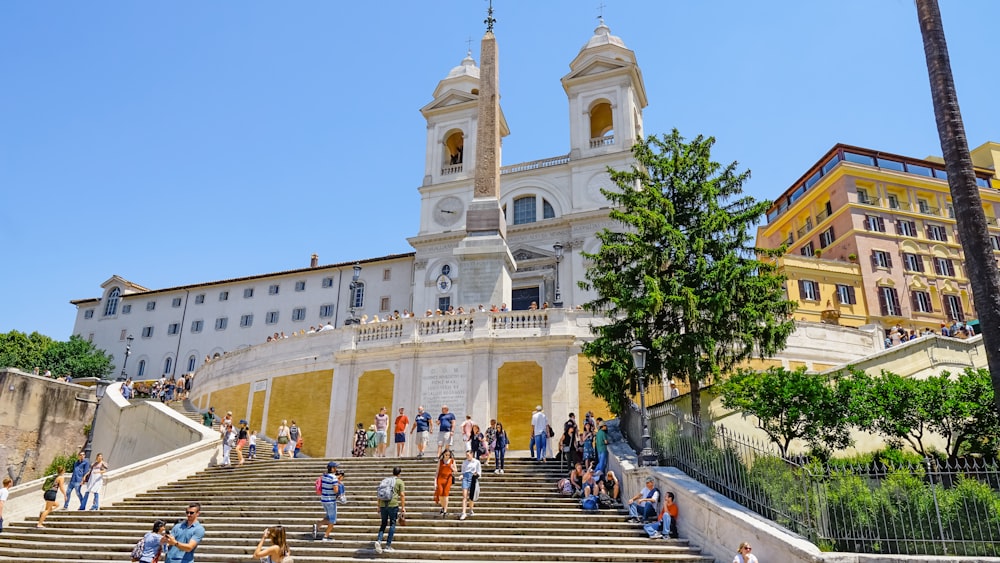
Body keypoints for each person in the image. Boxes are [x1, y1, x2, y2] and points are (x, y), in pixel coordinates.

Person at [373, 466, 406, 554]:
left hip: (383, 504)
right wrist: (403, 507)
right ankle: (388, 545)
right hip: (393, 505)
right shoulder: (399, 482)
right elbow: (402, 495)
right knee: (392, 523)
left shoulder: (386, 480)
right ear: (399, 473)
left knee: (383, 523)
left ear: (392, 472)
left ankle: (379, 541)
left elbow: (379, 493)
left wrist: (378, 505)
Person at [314, 462, 340, 541]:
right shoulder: (333, 478)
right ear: (332, 468)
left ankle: (318, 524)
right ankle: (326, 536)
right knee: (332, 520)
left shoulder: (324, 476)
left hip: (324, 500)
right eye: (335, 467)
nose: (336, 469)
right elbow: (336, 490)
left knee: (328, 517)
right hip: (331, 501)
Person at [459, 449, 482, 521]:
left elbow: (479, 472)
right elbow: (463, 471)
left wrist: (476, 474)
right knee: (464, 496)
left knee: (471, 496)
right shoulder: (464, 462)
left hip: (473, 478)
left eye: (468, 455)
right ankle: (463, 512)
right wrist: (461, 476)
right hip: (465, 478)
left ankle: (471, 509)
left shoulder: (476, 462)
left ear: (472, 455)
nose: (467, 456)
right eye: (466, 455)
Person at [434, 449, 456, 517]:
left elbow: (456, 470)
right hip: (440, 478)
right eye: (446, 455)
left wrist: (452, 468)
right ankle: (443, 507)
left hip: (448, 478)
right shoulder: (440, 461)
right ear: (443, 454)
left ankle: (445, 510)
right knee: (440, 493)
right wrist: (435, 481)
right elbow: (437, 472)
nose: (447, 456)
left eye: (448, 455)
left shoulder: (452, 461)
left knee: (446, 494)